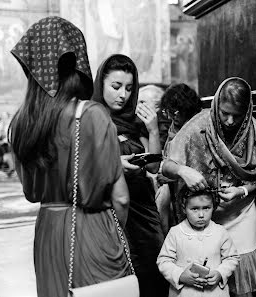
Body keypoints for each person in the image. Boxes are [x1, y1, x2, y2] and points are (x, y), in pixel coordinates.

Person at [8, 16, 131, 297]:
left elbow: (31, 191)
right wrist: (114, 233)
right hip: (93, 228)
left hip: (48, 232)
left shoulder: (22, 123)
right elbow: (121, 198)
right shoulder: (92, 114)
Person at [162, 77, 256, 297]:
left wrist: (240, 191)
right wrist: (184, 171)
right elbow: (165, 166)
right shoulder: (197, 126)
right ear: (216, 106)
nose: (230, 121)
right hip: (202, 214)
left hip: (241, 211)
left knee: (238, 274)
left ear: (247, 111)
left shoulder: (255, 133)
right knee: (203, 275)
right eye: (224, 113)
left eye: (237, 115)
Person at [91, 54, 167, 297]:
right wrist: (113, 166)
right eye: (116, 86)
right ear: (100, 84)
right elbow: (81, 168)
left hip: (144, 210)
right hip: (110, 210)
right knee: (120, 280)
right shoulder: (90, 120)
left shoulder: (135, 121)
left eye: (129, 88)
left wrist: (153, 128)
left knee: (153, 276)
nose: (123, 94)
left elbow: (154, 167)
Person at [157, 187, 240, 297]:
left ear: (213, 207)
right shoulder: (175, 232)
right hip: (184, 293)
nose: (201, 215)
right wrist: (180, 275)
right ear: (184, 209)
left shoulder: (220, 232)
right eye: (194, 209)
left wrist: (220, 273)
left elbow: (232, 258)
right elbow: (164, 260)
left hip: (214, 293)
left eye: (206, 208)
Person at [155, 83, 203, 233]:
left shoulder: (198, 128)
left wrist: (173, 176)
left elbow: (199, 166)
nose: (171, 116)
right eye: (169, 111)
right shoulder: (173, 127)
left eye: (176, 112)